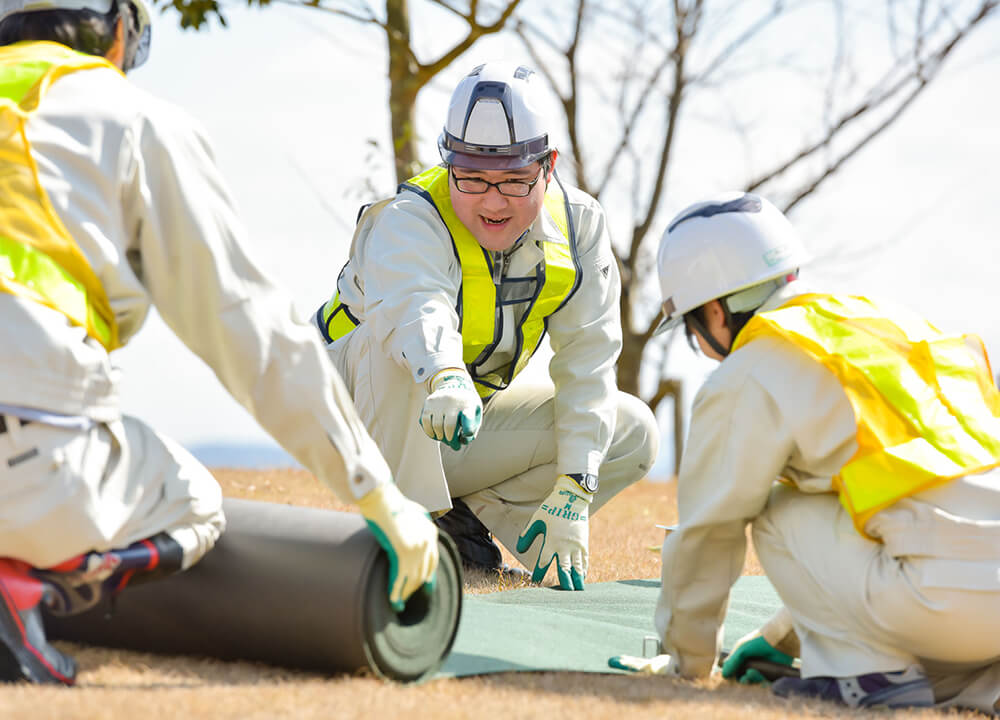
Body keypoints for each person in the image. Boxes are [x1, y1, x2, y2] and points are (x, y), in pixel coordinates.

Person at [0, 0, 438, 686]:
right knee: (195, 501)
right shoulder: (132, 119)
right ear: (120, 31)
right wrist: (378, 493)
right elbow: (250, 326)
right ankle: (24, 591)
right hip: (34, 455)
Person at [610, 192, 1000, 713]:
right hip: (969, 604)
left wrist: (687, 661)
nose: (700, 346)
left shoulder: (752, 367)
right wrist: (780, 640)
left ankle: (868, 679)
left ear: (713, 310)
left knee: (775, 513)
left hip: (943, 600)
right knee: (868, 519)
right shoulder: (876, 323)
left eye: (691, 329)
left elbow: (709, 529)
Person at [315, 61, 658, 590]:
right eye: (471, 178)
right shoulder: (409, 218)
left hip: (450, 418)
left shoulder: (581, 226)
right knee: (396, 351)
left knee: (632, 428)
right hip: (353, 419)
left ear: (549, 166)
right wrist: (445, 375)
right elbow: (415, 307)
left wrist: (576, 486)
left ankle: (456, 522)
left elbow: (589, 359)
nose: (493, 201)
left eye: (516, 181)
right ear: (447, 162)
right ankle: (402, 534)